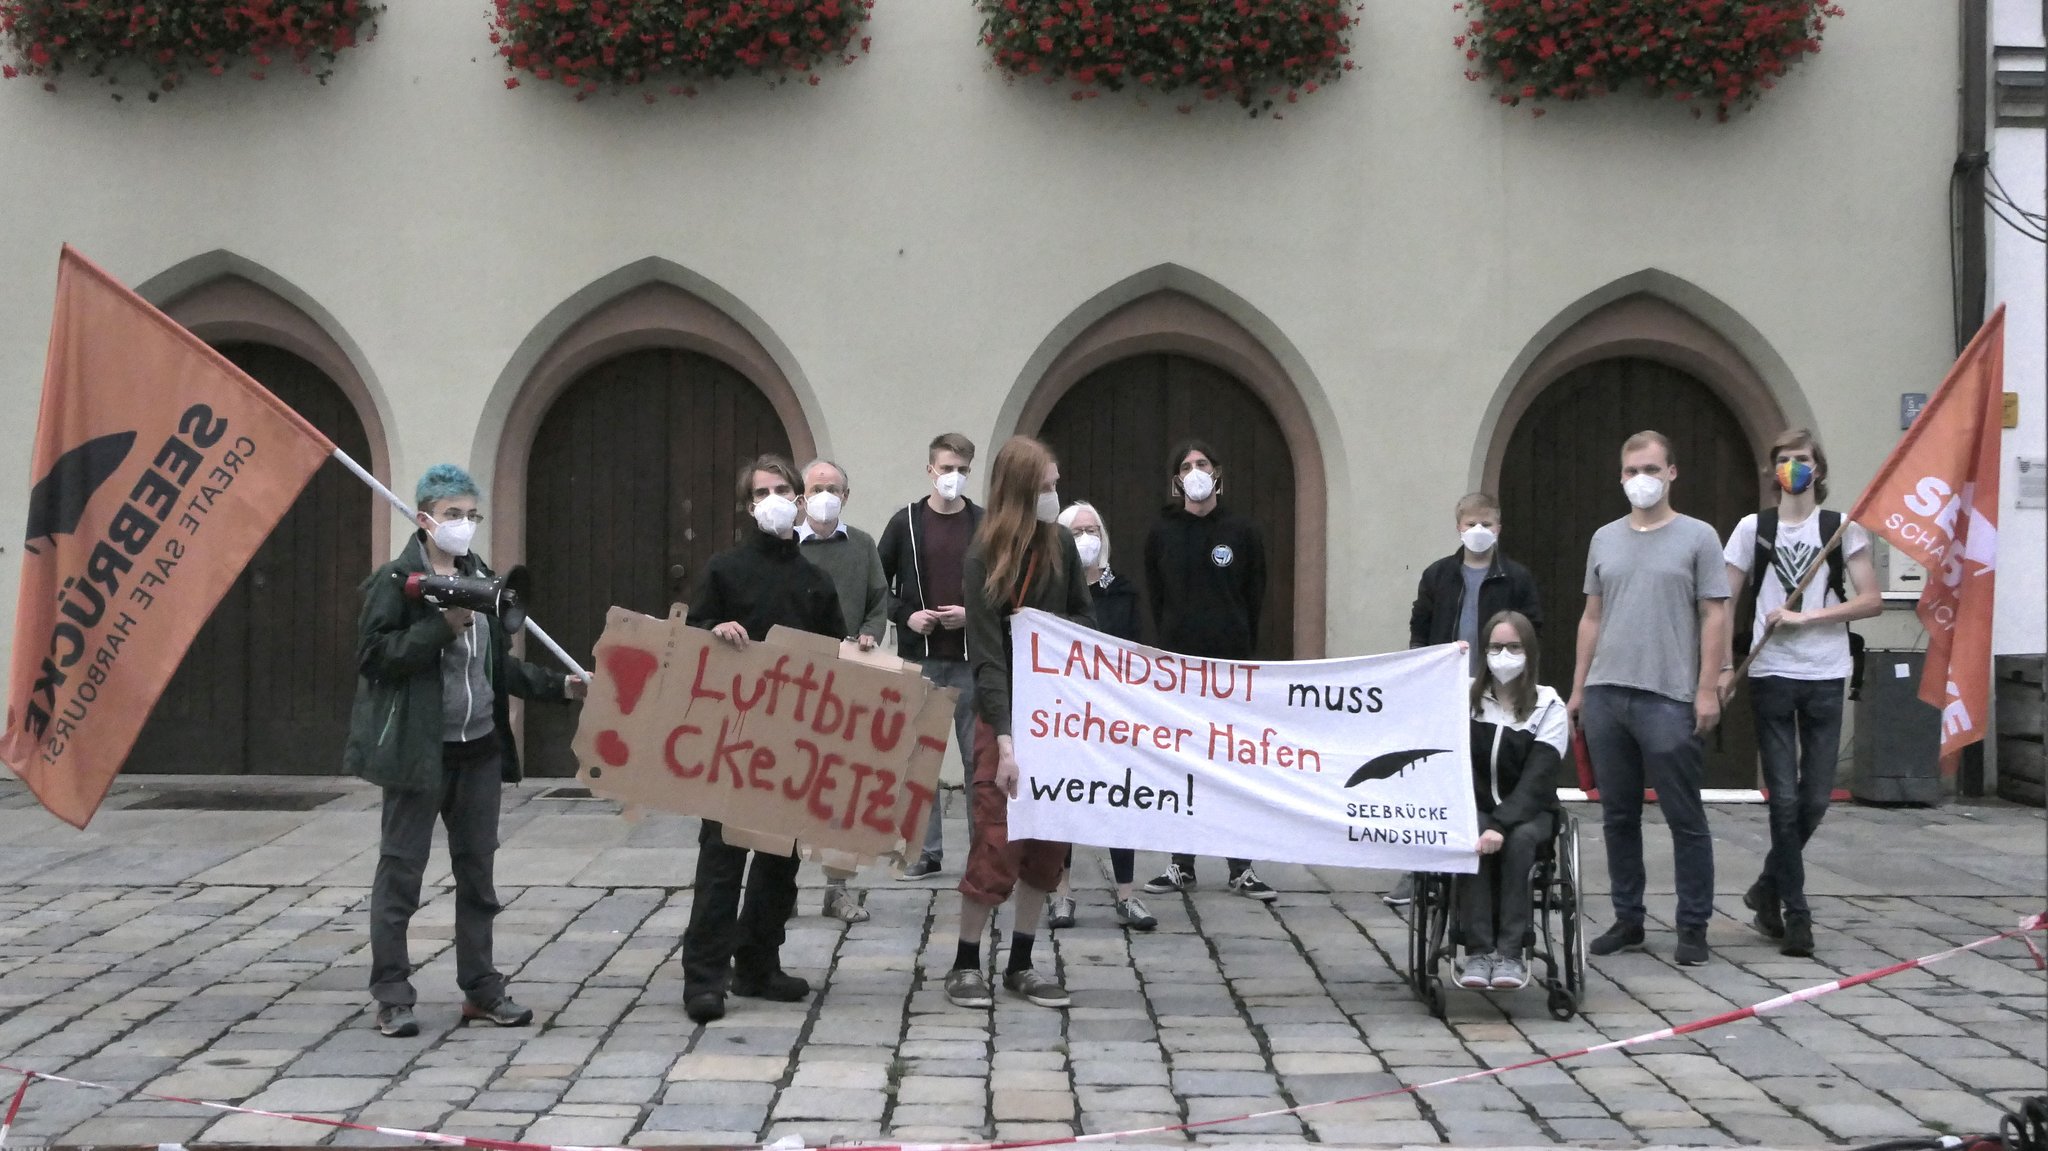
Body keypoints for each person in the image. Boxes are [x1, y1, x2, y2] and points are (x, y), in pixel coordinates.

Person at [348, 464, 587, 1039]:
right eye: (453, 515)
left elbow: (498, 668)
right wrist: (439, 628)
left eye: (471, 515)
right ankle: (393, 994)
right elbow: (375, 658)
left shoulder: (481, 578)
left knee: (477, 874)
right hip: (417, 751)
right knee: (401, 874)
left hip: (477, 749)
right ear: (425, 518)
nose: (464, 525)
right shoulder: (396, 580)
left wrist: (561, 687)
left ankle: (481, 989)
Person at [680, 455, 845, 1024]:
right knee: (722, 862)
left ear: (799, 499)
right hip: (730, 741)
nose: (773, 498)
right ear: (749, 506)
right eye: (762, 492)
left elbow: (835, 660)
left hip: (791, 746)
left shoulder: (816, 582)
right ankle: (705, 978)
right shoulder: (724, 570)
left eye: (782, 489)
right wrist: (712, 631)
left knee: (780, 863)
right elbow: (687, 635)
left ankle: (758, 964)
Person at [1569, 431, 1730, 968]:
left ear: (1672, 473)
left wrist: (1708, 687)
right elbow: (1592, 615)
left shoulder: (1699, 537)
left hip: (1669, 695)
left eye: (1653, 469)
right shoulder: (1604, 539)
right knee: (1618, 816)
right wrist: (1578, 687)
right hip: (1607, 693)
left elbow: (1715, 613)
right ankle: (1628, 917)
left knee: (1685, 816)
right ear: (1620, 476)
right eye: (1633, 469)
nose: (1643, 478)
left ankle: (1692, 924)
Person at [1719, 429, 1879, 959]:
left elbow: (1871, 601)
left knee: (1814, 797)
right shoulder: (1752, 528)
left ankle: (1766, 887)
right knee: (1783, 797)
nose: (1794, 468)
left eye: (1803, 460)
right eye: (1785, 460)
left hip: (1826, 671)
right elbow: (1725, 598)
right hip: (1771, 672)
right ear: (1772, 471)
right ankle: (1795, 910)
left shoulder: (1840, 529)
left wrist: (1807, 616)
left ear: (1820, 469)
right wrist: (1723, 664)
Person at [945, 436, 1093, 1010]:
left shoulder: (1059, 544)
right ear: (1023, 490)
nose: (1054, 496)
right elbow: (985, 657)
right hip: (1004, 716)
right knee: (997, 838)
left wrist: (1051, 635)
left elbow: (1085, 618)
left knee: (1047, 844)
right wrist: (1005, 743)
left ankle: (1023, 961)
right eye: (1047, 487)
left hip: (1055, 716)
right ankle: (964, 963)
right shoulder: (984, 556)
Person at [1389, 491, 1544, 908]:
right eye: (1470, 523)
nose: (1479, 531)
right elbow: (1420, 628)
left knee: (1488, 773)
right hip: (1447, 691)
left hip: (1499, 690)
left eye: (1487, 523)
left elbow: (1532, 630)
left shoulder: (1516, 577)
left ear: (1499, 527)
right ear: (1458, 526)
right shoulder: (1438, 575)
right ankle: (1420, 868)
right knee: (1434, 773)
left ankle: (1496, 852)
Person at [1139, 439, 1277, 902]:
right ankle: (1182, 863)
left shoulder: (1242, 531)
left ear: (1217, 472)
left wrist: (1238, 648)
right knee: (1184, 765)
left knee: (1231, 765)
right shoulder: (1162, 532)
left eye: (1202, 464)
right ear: (1176, 480)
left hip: (1230, 668)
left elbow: (1254, 597)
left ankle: (1241, 865)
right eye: (1186, 466)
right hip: (1180, 670)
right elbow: (1157, 597)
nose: (1195, 471)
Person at [1045, 501, 1157, 932]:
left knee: (1120, 800)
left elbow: (1137, 650)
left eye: (1093, 531)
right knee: (1063, 799)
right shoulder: (1049, 590)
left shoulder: (1123, 591)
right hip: (1065, 713)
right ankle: (1061, 892)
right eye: (1076, 533)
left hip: (1113, 715)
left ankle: (1127, 895)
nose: (1086, 540)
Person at [879, 433, 983, 879]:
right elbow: (877, 588)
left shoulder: (984, 523)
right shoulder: (905, 522)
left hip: (970, 660)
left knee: (978, 761)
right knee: (921, 760)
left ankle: (984, 854)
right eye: (946, 469)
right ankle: (926, 850)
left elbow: (1002, 588)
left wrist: (972, 614)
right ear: (930, 471)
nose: (952, 478)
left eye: (961, 470)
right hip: (921, 658)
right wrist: (906, 617)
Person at [796, 457, 891, 924]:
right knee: (788, 786)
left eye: (833, 488)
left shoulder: (863, 546)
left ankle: (838, 888)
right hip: (793, 684)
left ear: (846, 497)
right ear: (801, 496)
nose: (825, 495)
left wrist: (872, 632)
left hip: (848, 682)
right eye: (816, 487)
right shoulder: (786, 550)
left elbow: (879, 601)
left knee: (840, 786)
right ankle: (781, 887)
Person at [1454, 611, 1567, 992]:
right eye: (1496, 647)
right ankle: (1478, 951)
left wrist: (1500, 825)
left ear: (1529, 652)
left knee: (1519, 843)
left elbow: (1539, 779)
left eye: (1514, 647)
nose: (1504, 655)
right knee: (1471, 839)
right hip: (1477, 804)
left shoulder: (1549, 706)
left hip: (1531, 813)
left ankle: (1511, 953)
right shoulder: (1464, 699)